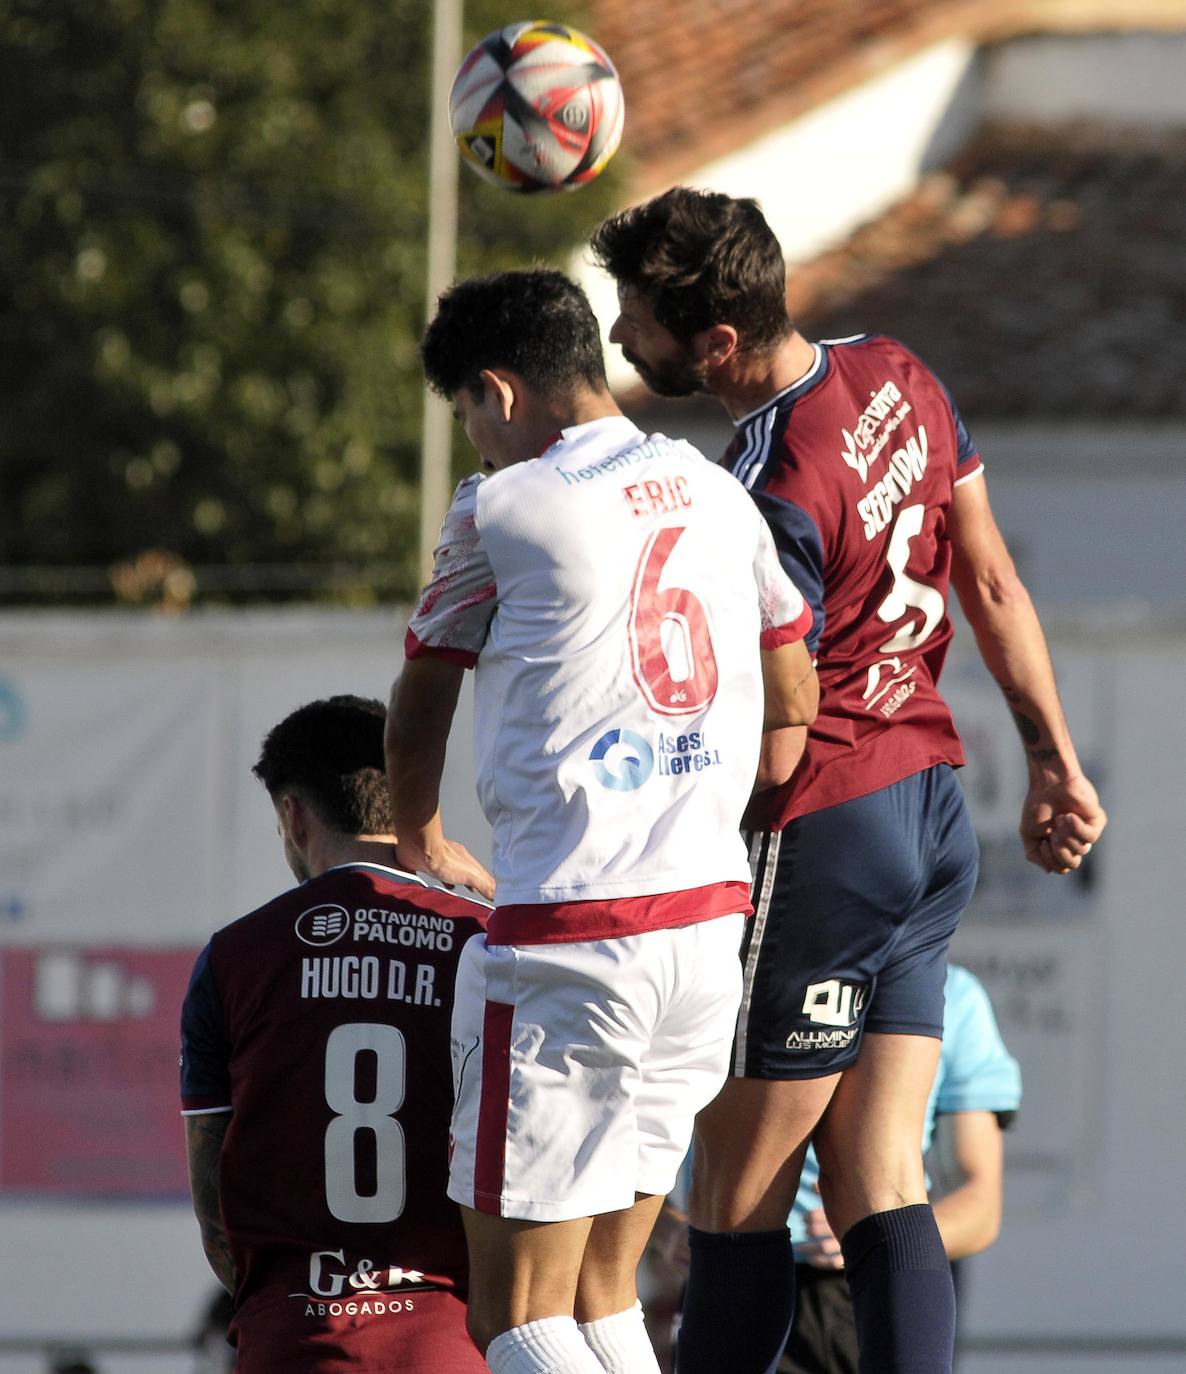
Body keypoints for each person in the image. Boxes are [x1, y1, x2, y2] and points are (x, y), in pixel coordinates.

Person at [590, 186, 1106, 1374]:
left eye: (638, 322)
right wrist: (1052, 762)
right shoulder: (897, 369)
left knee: (733, 1198)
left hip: (829, 825)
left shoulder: (762, 483)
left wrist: (714, 840)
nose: (621, 339)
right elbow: (991, 584)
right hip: (933, 811)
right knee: (882, 1181)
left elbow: (786, 712)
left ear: (713, 343)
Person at [384, 267, 819, 1374]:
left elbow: (423, 694)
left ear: (500, 391)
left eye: (470, 417)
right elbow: (796, 690)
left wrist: (422, 839)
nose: (477, 443)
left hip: (571, 940)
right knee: (603, 1294)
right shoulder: (718, 489)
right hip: (703, 933)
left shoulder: (497, 505)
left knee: (514, 1314)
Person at [179, 695, 490, 1373]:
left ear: (292, 814)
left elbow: (215, 1214)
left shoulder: (231, 959)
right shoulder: (484, 937)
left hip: (296, 1336)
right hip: (452, 1335)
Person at [782, 963, 1021, 1373]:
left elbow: (981, 1208)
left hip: (871, 1283)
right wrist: (672, 1233)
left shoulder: (954, 994)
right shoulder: (744, 968)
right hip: (740, 1270)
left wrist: (871, 1240)